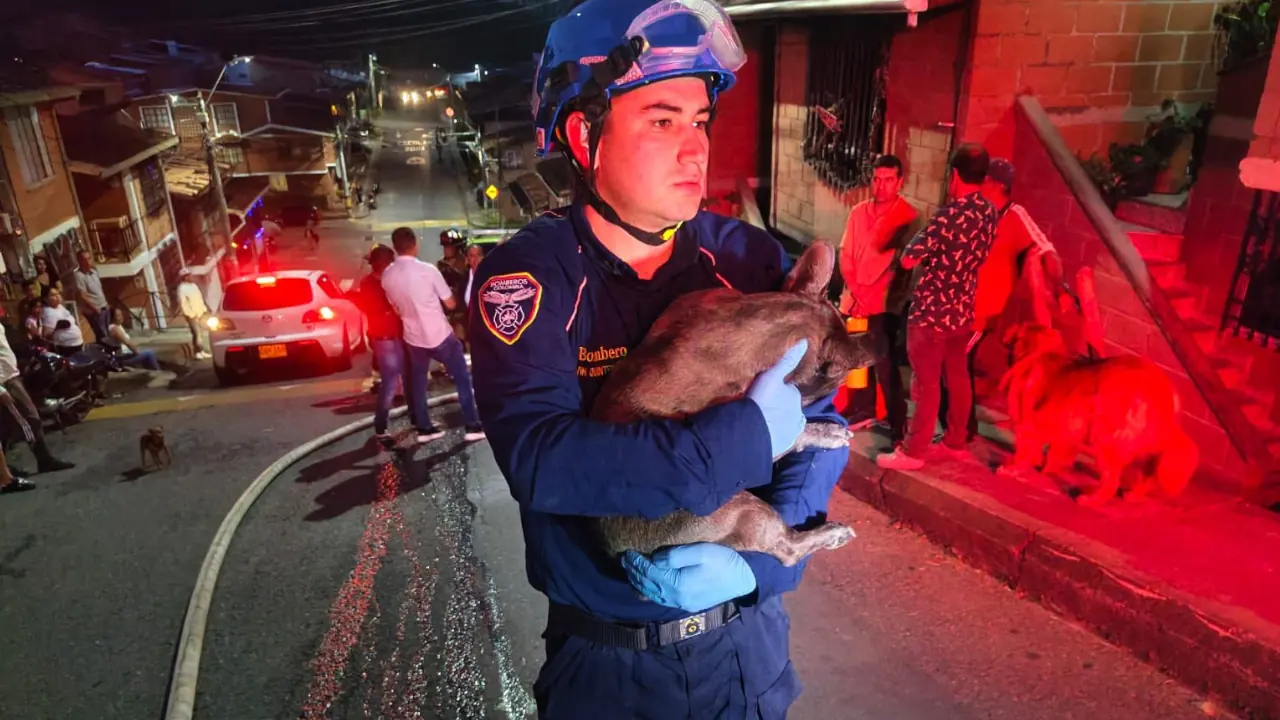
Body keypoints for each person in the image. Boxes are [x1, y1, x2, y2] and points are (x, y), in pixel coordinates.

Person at [467, 1, 847, 715]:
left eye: (700, 121)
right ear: (586, 137)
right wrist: (742, 439)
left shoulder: (748, 259)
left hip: (748, 651)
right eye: (661, 121)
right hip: (610, 670)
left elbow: (824, 423)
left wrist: (757, 569)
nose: (694, 148)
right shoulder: (528, 283)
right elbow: (545, 461)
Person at [877, 144, 1000, 471]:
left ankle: (914, 452)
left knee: (927, 383)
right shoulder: (988, 212)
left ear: (954, 175)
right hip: (962, 310)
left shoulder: (949, 215)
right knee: (958, 376)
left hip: (932, 312)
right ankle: (956, 439)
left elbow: (909, 257)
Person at [836, 153, 918, 440]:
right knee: (857, 359)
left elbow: (900, 265)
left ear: (899, 182)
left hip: (883, 304)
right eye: (877, 179)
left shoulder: (907, 216)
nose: (881, 186)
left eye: (888, 180)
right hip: (854, 299)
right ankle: (862, 408)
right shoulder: (858, 212)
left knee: (885, 364)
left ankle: (898, 421)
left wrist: (870, 294)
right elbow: (845, 254)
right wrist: (856, 288)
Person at [380, 227, 485, 444]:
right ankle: (472, 425)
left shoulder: (387, 275)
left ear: (395, 247)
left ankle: (424, 429)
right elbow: (451, 303)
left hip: (413, 337)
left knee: (418, 383)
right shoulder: (428, 271)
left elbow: (396, 308)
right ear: (414, 244)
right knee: (463, 379)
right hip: (439, 334)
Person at [351, 243, 418, 446]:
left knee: (409, 378)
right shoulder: (369, 284)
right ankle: (381, 426)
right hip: (384, 338)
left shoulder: (394, 280)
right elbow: (376, 308)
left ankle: (417, 419)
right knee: (390, 381)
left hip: (403, 334)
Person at [0, 305, 75, 482]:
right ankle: (43, 460)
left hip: (11, 376)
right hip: (5, 381)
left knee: (6, 427)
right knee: (29, 419)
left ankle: (5, 470)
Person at [71, 250, 109, 343]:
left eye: (89, 258)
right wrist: (95, 309)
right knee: (102, 335)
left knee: (108, 332)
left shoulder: (94, 272)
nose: (87, 262)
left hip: (104, 307)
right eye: (84, 259)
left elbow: (99, 290)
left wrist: (106, 303)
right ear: (79, 261)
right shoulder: (79, 275)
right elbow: (83, 295)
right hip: (95, 311)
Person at [39, 286, 87, 356]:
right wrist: (58, 327)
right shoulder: (48, 312)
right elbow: (46, 335)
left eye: (58, 293)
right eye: (53, 295)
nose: (57, 296)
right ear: (45, 299)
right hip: (66, 347)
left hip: (77, 343)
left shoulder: (60, 307)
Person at [176, 269, 211, 360]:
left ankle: (202, 351)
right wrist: (190, 314)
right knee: (196, 333)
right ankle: (197, 352)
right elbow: (183, 303)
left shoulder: (194, 285)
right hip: (192, 315)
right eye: (188, 275)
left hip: (200, 312)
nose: (190, 277)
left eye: (190, 275)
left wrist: (204, 309)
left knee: (201, 333)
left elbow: (199, 298)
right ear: (184, 277)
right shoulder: (182, 288)